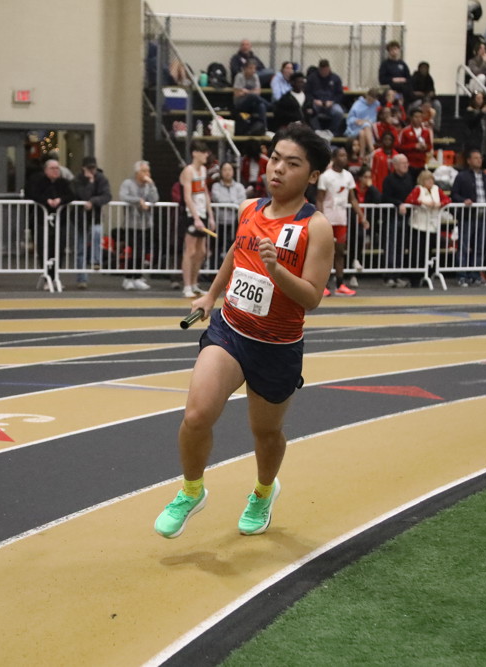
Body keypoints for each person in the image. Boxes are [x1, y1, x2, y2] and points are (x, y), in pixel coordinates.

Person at [153, 125, 334, 539]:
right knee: (197, 415)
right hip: (231, 330)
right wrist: (211, 295)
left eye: (292, 163)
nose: (278, 169)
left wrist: (276, 270)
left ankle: (263, 492)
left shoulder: (316, 227)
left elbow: (311, 297)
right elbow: (237, 251)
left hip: (277, 346)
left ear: (311, 175)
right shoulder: (249, 208)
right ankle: (191, 491)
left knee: (265, 432)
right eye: (275, 159)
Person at [317, 146, 368, 296]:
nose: (344, 158)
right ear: (334, 158)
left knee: (340, 252)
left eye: (345, 155)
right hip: (328, 219)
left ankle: (340, 284)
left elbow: (353, 199)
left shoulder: (348, 176)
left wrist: (362, 216)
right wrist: (321, 218)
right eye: (341, 155)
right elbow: (319, 199)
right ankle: (322, 285)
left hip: (341, 220)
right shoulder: (325, 176)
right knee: (325, 254)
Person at [26, 158, 75, 284]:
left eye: (57, 168)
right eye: (52, 168)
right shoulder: (38, 181)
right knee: (44, 249)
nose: (55, 171)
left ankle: (55, 276)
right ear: (46, 170)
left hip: (60, 221)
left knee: (59, 249)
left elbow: (72, 195)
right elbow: (32, 194)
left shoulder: (64, 183)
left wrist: (60, 200)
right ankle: (47, 276)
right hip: (42, 221)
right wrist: (46, 201)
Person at [451, 149, 486, 286]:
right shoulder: (462, 176)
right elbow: (454, 194)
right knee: (464, 247)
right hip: (468, 217)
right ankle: (462, 275)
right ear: (469, 161)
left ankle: (475, 275)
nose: (479, 160)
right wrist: (463, 201)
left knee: (480, 248)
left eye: (480, 158)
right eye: (476, 158)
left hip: (483, 217)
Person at [180, 141, 217, 298]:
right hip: (191, 214)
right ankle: (187, 285)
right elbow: (187, 197)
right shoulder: (188, 171)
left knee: (201, 251)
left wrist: (211, 216)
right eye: (203, 152)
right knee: (190, 250)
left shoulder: (203, 170)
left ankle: (195, 283)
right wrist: (195, 218)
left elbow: (205, 192)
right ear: (195, 153)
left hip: (202, 213)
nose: (206, 155)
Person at [117, 160, 159, 291]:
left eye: (148, 171)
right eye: (144, 171)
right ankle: (128, 278)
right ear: (137, 172)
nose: (147, 174)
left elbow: (155, 199)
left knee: (142, 252)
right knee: (134, 251)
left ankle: (138, 277)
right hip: (131, 224)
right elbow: (123, 196)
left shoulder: (148, 185)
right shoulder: (128, 183)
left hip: (146, 224)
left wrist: (152, 184)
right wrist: (138, 201)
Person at [71, 156, 112, 288]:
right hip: (80, 218)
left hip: (95, 217)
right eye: (89, 168)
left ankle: (96, 261)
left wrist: (93, 202)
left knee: (97, 235)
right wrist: (90, 183)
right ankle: (82, 278)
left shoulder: (101, 178)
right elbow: (82, 195)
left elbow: (107, 196)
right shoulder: (77, 180)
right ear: (83, 168)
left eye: (93, 168)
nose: (92, 171)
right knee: (80, 249)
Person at [380, 154, 415, 288]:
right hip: (392, 217)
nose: (406, 165)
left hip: (406, 217)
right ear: (394, 165)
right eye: (402, 163)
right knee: (391, 246)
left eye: (407, 162)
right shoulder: (389, 180)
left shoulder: (409, 178)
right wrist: (398, 203)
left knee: (401, 246)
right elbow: (385, 197)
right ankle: (389, 276)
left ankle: (397, 275)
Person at [211, 161, 246, 265]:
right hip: (220, 222)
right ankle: (214, 269)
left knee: (233, 247)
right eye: (225, 170)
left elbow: (242, 202)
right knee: (217, 248)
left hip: (235, 223)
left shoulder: (239, 187)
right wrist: (233, 204)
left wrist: (230, 204)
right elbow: (218, 199)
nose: (227, 172)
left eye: (229, 169)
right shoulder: (216, 186)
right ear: (221, 172)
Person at [305, 59, 345, 133]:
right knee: (309, 111)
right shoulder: (312, 78)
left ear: (329, 68)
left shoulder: (335, 78)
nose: (324, 72)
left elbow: (340, 94)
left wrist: (333, 102)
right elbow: (307, 93)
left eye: (326, 70)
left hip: (331, 103)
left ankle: (332, 132)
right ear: (319, 69)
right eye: (322, 70)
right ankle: (317, 131)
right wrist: (314, 100)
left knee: (339, 112)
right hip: (316, 103)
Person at [233, 60, 269, 134]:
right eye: (251, 68)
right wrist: (251, 92)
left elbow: (258, 92)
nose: (253, 70)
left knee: (261, 106)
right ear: (245, 68)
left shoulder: (255, 76)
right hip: (240, 103)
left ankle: (264, 128)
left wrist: (246, 92)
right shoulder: (239, 76)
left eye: (254, 68)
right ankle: (270, 105)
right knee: (252, 96)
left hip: (252, 103)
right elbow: (237, 93)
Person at [344, 87, 382, 158]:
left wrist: (367, 122)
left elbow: (375, 119)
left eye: (373, 100)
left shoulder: (376, 104)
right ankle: (371, 148)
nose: (370, 101)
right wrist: (356, 120)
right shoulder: (358, 104)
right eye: (369, 99)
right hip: (356, 127)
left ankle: (361, 155)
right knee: (365, 125)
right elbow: (350, 118)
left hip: (370, 128)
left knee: (362, 132)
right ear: (367, 96)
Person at [397, 108, 433, 178]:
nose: (418, 119)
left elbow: (430, 146)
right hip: (409, 165)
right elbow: (399, 147)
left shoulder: (426, 131)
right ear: (411, 118)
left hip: (421, 164)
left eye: (420, 117)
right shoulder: (405, 131)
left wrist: (425, 147)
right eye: (416, 117)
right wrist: (414, 146)